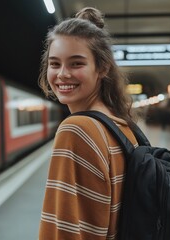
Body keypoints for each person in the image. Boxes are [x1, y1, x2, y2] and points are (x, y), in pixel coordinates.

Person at [38, 7, 139, 240]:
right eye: (54, 64)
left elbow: (66, 233)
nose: (62, 74)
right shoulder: (121, 125)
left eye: (76, 64)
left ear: (102, 68)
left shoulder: (76, 131)